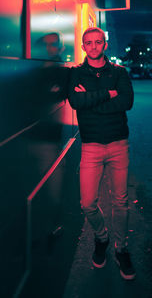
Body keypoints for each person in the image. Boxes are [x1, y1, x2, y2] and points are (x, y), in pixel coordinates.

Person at [67, 27, 135, 280]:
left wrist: (92, 102)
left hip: (119, 144)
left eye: (98, 42)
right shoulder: (76, 74)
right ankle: (101, 237)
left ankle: (121, 248)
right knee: (87, 203)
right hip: (91, 145)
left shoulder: (119, 72)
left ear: (104, 44)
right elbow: (76, 103)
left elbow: (126, 102)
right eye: (89, 43)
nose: (94, 46)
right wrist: (108, 94)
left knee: (121, 201)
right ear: (83, 47)